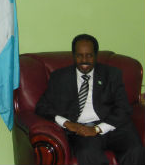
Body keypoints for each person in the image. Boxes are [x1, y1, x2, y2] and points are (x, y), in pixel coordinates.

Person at [35, 34, 145, 165]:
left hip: (112, 126)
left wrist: (98, 129)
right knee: (87, 153)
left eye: (89, 55)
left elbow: (123, 108)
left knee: (135, 149)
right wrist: (67, 123)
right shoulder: (59, 78)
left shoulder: (112, 74)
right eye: (79, 55)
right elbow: (42, 107)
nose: (84, 60)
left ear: (96, 55)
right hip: (82, 130)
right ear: (74, 55)